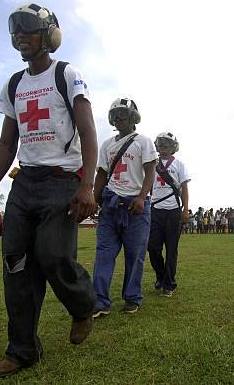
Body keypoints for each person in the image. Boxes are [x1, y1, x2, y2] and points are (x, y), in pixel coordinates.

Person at [0, 3, 98, 378]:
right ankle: (22, 351)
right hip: (24, 185)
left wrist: (87, 184)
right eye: (15, 31)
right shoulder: (13, 84)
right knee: (16, 266)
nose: (19, 36)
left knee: (54, 255)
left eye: (27, 29)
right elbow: (6, 145)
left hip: (62, 182)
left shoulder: (66, 74)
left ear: (49, 36)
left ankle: (83, 306)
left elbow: (89, 131)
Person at [92, 97, 157, 318]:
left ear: (133, 118)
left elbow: (150, 171)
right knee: (104, 254)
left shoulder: (144, 142)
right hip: (110, 205)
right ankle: (100, 301)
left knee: (135, 254)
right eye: (115, 115)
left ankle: (132, 298)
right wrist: (94, 199)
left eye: (123, 114)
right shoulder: (107, 145)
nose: (119, 118)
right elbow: (101, 173)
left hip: (136, 207)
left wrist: (142, 196)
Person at [147, 132, 191, 297]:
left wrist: (185, 210)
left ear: (173, 147)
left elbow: (184, 189)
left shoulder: (179, 165)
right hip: (155, 210)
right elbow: (147, 185)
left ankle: (169, 283)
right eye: (160, 144)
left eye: (167, 144)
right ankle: (160, 275)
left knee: (171, 249)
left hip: (173, 211)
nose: (163, 147)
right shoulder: (152, 164)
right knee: (152, 246)